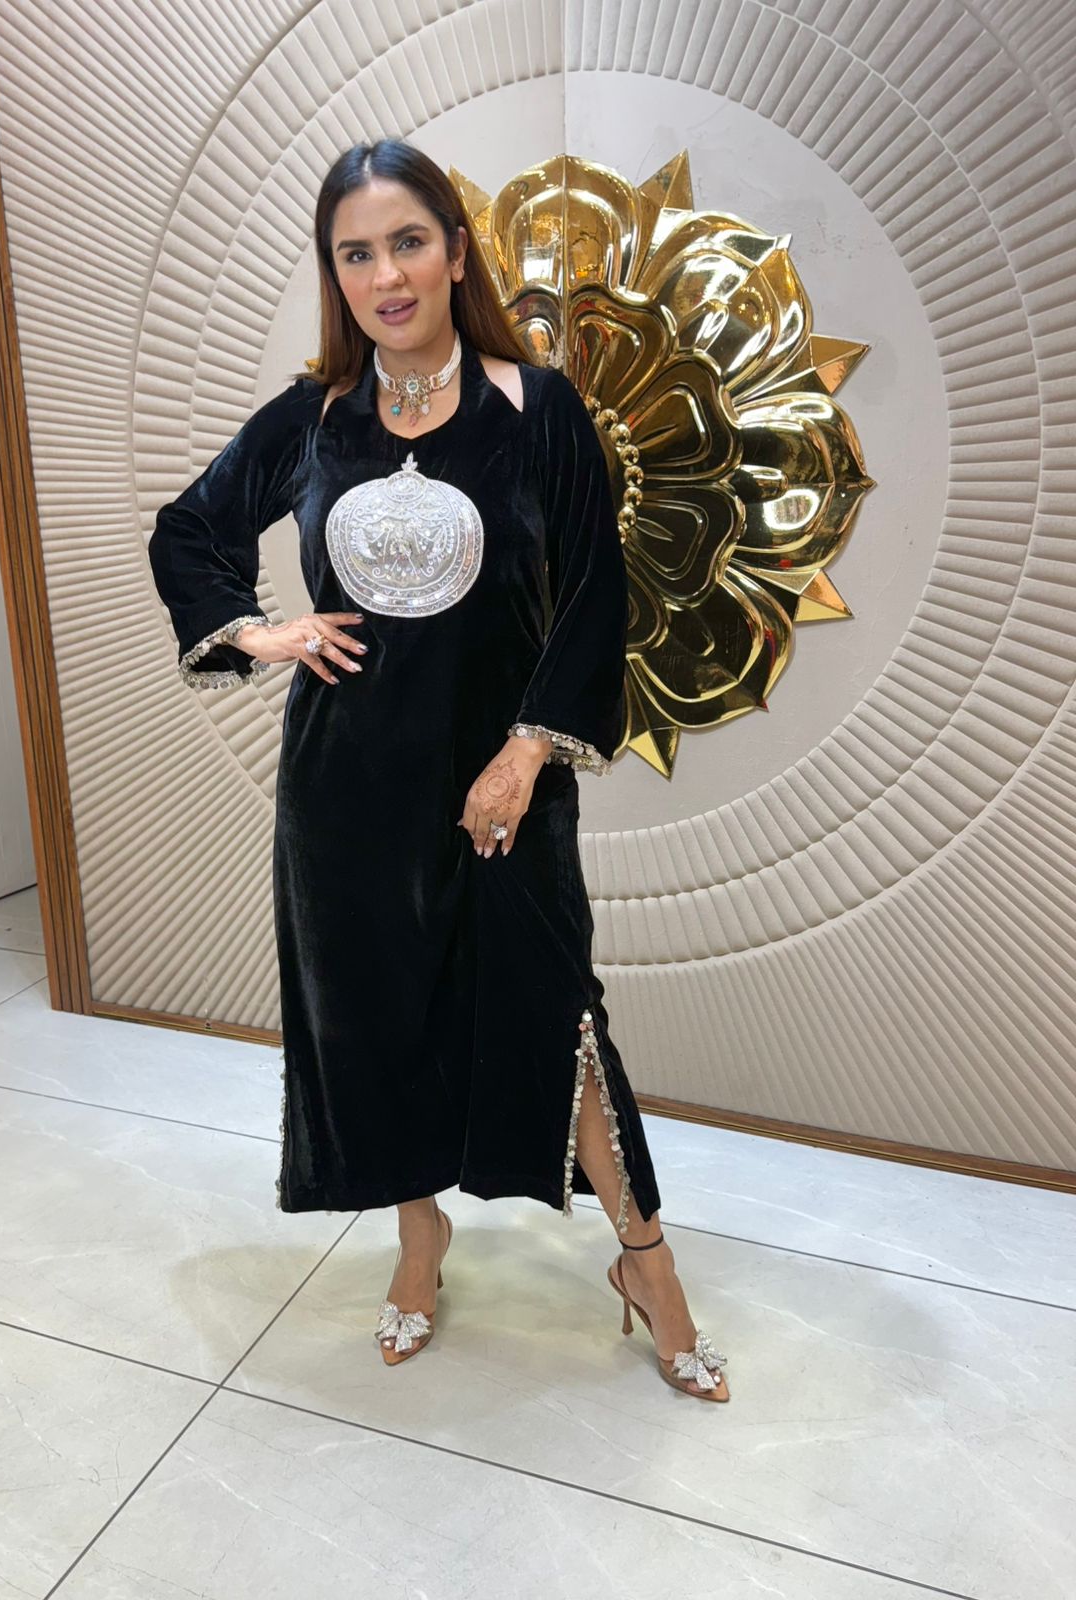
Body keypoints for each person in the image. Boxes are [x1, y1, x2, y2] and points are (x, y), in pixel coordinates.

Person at [147, 139, 729, 1400]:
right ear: (336, 274)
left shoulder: (536, 409)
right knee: (377, 1023)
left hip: (500, 789)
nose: (386, 275)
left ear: (456, 252)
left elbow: (596, 592)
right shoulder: (315, 418)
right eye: (355, 253)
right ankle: (420, 1244)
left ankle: (647, 1261)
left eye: (408, 242)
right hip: (345, 795)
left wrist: (525, 752)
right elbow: (188, 529)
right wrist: (260, 631)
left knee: (557, 1019)